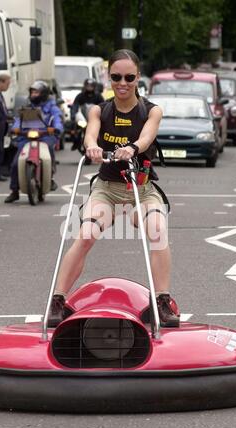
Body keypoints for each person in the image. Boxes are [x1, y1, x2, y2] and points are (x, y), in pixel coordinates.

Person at [49, 49, 180, 328]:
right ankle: (57, 300)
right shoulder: (99, 109)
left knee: (157, 230)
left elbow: (146, 137)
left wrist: (132, 148)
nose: (123, 83)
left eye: (129, 77)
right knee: (85, 235)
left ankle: (162, 302)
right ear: (108, 77)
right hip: (107, 189)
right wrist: (92, 147)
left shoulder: (150, 110)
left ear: (138, 77)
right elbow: (90, 133)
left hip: (141, 190)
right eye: (116, 77)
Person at [5, 80, 64, 203]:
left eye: (36, 92)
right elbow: (17, 121)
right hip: (26, 137)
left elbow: (58, 120)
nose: (33, 94)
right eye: (32, 92)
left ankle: (50, 176)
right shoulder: (27, 107)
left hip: (45, 136)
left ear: (43, 94)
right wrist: (14, 128)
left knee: (49, 152)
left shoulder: (52, 108)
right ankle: (14, 191)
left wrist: (56, 128)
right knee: (16, 162)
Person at [70, 78, 104, 150]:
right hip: (83, 119)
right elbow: (75, 105)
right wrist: (73, 115)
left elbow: (104, 106)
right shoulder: (80, 96)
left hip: (95, 119)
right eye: (88, 86)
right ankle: (75, 142)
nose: (89, 87)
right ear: (85, 86)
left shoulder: (98, 96)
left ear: (94, 86)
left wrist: (103, 116)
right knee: (73, 128)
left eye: (91, 86)